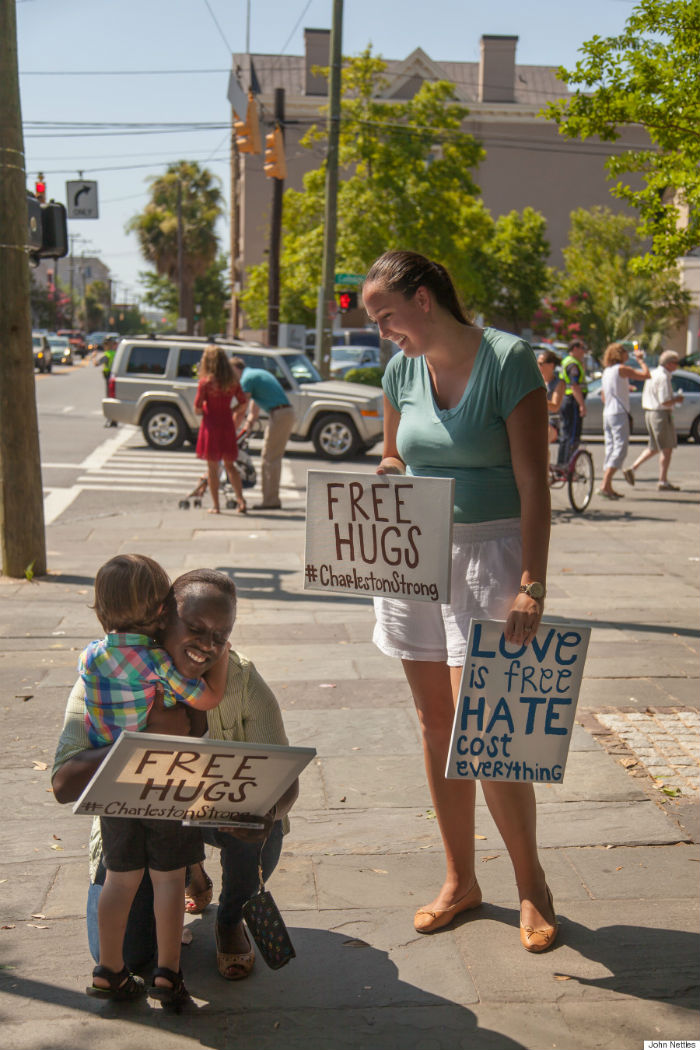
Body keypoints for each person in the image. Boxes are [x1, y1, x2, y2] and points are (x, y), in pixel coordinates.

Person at [362, 250, 557, 953]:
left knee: (490, 736)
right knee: (436, 725)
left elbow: (534, 483)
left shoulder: (508, 360)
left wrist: (532, 582)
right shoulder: (399, 371)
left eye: (386, 315)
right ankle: (460, 880)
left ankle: (532, 886)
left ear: (423, 298)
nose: (383, 331)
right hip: (414, 557)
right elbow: (396, 454)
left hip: (490, 557)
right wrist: (386, 472)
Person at [52, 568, 299, 984]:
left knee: (262, 825)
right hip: (134, 828)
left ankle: (230, 917)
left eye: (220, 636)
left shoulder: (242, 679)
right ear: (162, 619)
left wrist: (266, 813)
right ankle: (190, 871)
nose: (207, 646)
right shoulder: (110, 672)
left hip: (210, 812)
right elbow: (63, 784)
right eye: (195, 629)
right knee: (127, 956)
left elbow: (286, 781)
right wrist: (142, 740)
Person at [78, 555, 228, 1006]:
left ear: (101, 608)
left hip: (113, 786)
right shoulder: (158, 662)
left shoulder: (91, 655)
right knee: (168, 880)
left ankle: (109, 971)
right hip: (163, 779)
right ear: (162, 611)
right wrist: (220, 656)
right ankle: (168, 973)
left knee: (118, 880)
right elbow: (207, 698)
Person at [231, 356, 295, 510]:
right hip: (283, 413)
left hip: (280, 414)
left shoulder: (246, 379)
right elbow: (253, 406)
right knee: (270, 456)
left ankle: (271, 500)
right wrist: (248, 425)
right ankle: (270, 498)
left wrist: (230, 431)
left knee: (270, 458)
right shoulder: (255, 374)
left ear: (236, 369)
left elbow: (242, 407)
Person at [194, 346, 248, 515]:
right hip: (227, 424)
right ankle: (241, 500)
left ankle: (216, 505)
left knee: (213, 469)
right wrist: (232, 410)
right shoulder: (232, 382)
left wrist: (205, 408)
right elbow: (243, 403)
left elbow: (197, 408)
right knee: (230, 466)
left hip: (211, 425)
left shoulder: (206, 383)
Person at [598, 342, 650, 499]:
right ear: (619, 354)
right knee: (620, 449)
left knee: (611, 448)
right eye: (625, 352)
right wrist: (640, 360)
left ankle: (607, 485)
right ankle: (605, 484)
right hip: (619, 413)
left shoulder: (607, 371)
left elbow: (604, 395)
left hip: (608, 412)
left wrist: (625, 390)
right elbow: (646, 375)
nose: (628, 354)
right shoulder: (621, 369)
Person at [627, 350, 684, 491]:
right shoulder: (663, 377)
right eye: (675, 363)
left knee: (656, 446)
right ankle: (662, 480)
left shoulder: (654, 374)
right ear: (669, 364)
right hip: (660, 413)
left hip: (651, 412)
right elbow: (664, 401)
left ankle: (634, 469)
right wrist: (677, 399)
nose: (677, 365)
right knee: (666, 447)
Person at [556, 338, 588, 466]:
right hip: (573, 402)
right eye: (582, 348)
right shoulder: (572, 364)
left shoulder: (568, 361)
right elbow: (575, 386)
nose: (584, 352)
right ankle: (567, 465)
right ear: (575, 349)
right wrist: (582, 405)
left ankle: (562, 464)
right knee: (572, 435)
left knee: (566, 434)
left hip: (568, 400)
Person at [536, 350, 564, 449]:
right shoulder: (536, 381)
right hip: (536, 419)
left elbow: (555, 406)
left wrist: (537, 399)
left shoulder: (558, 383)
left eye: (540, 363)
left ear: (551, 365)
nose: (537, 366)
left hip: (552, 421)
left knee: (541, 442)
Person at [100, 336, 118, 427]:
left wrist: (93, 357)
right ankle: (114, 420)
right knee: (114, 399)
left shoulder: (107, 354)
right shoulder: (116, 354)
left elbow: (96, 363)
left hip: (108, 378)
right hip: (115, 377)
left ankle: (110, 419)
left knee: (109, 399)